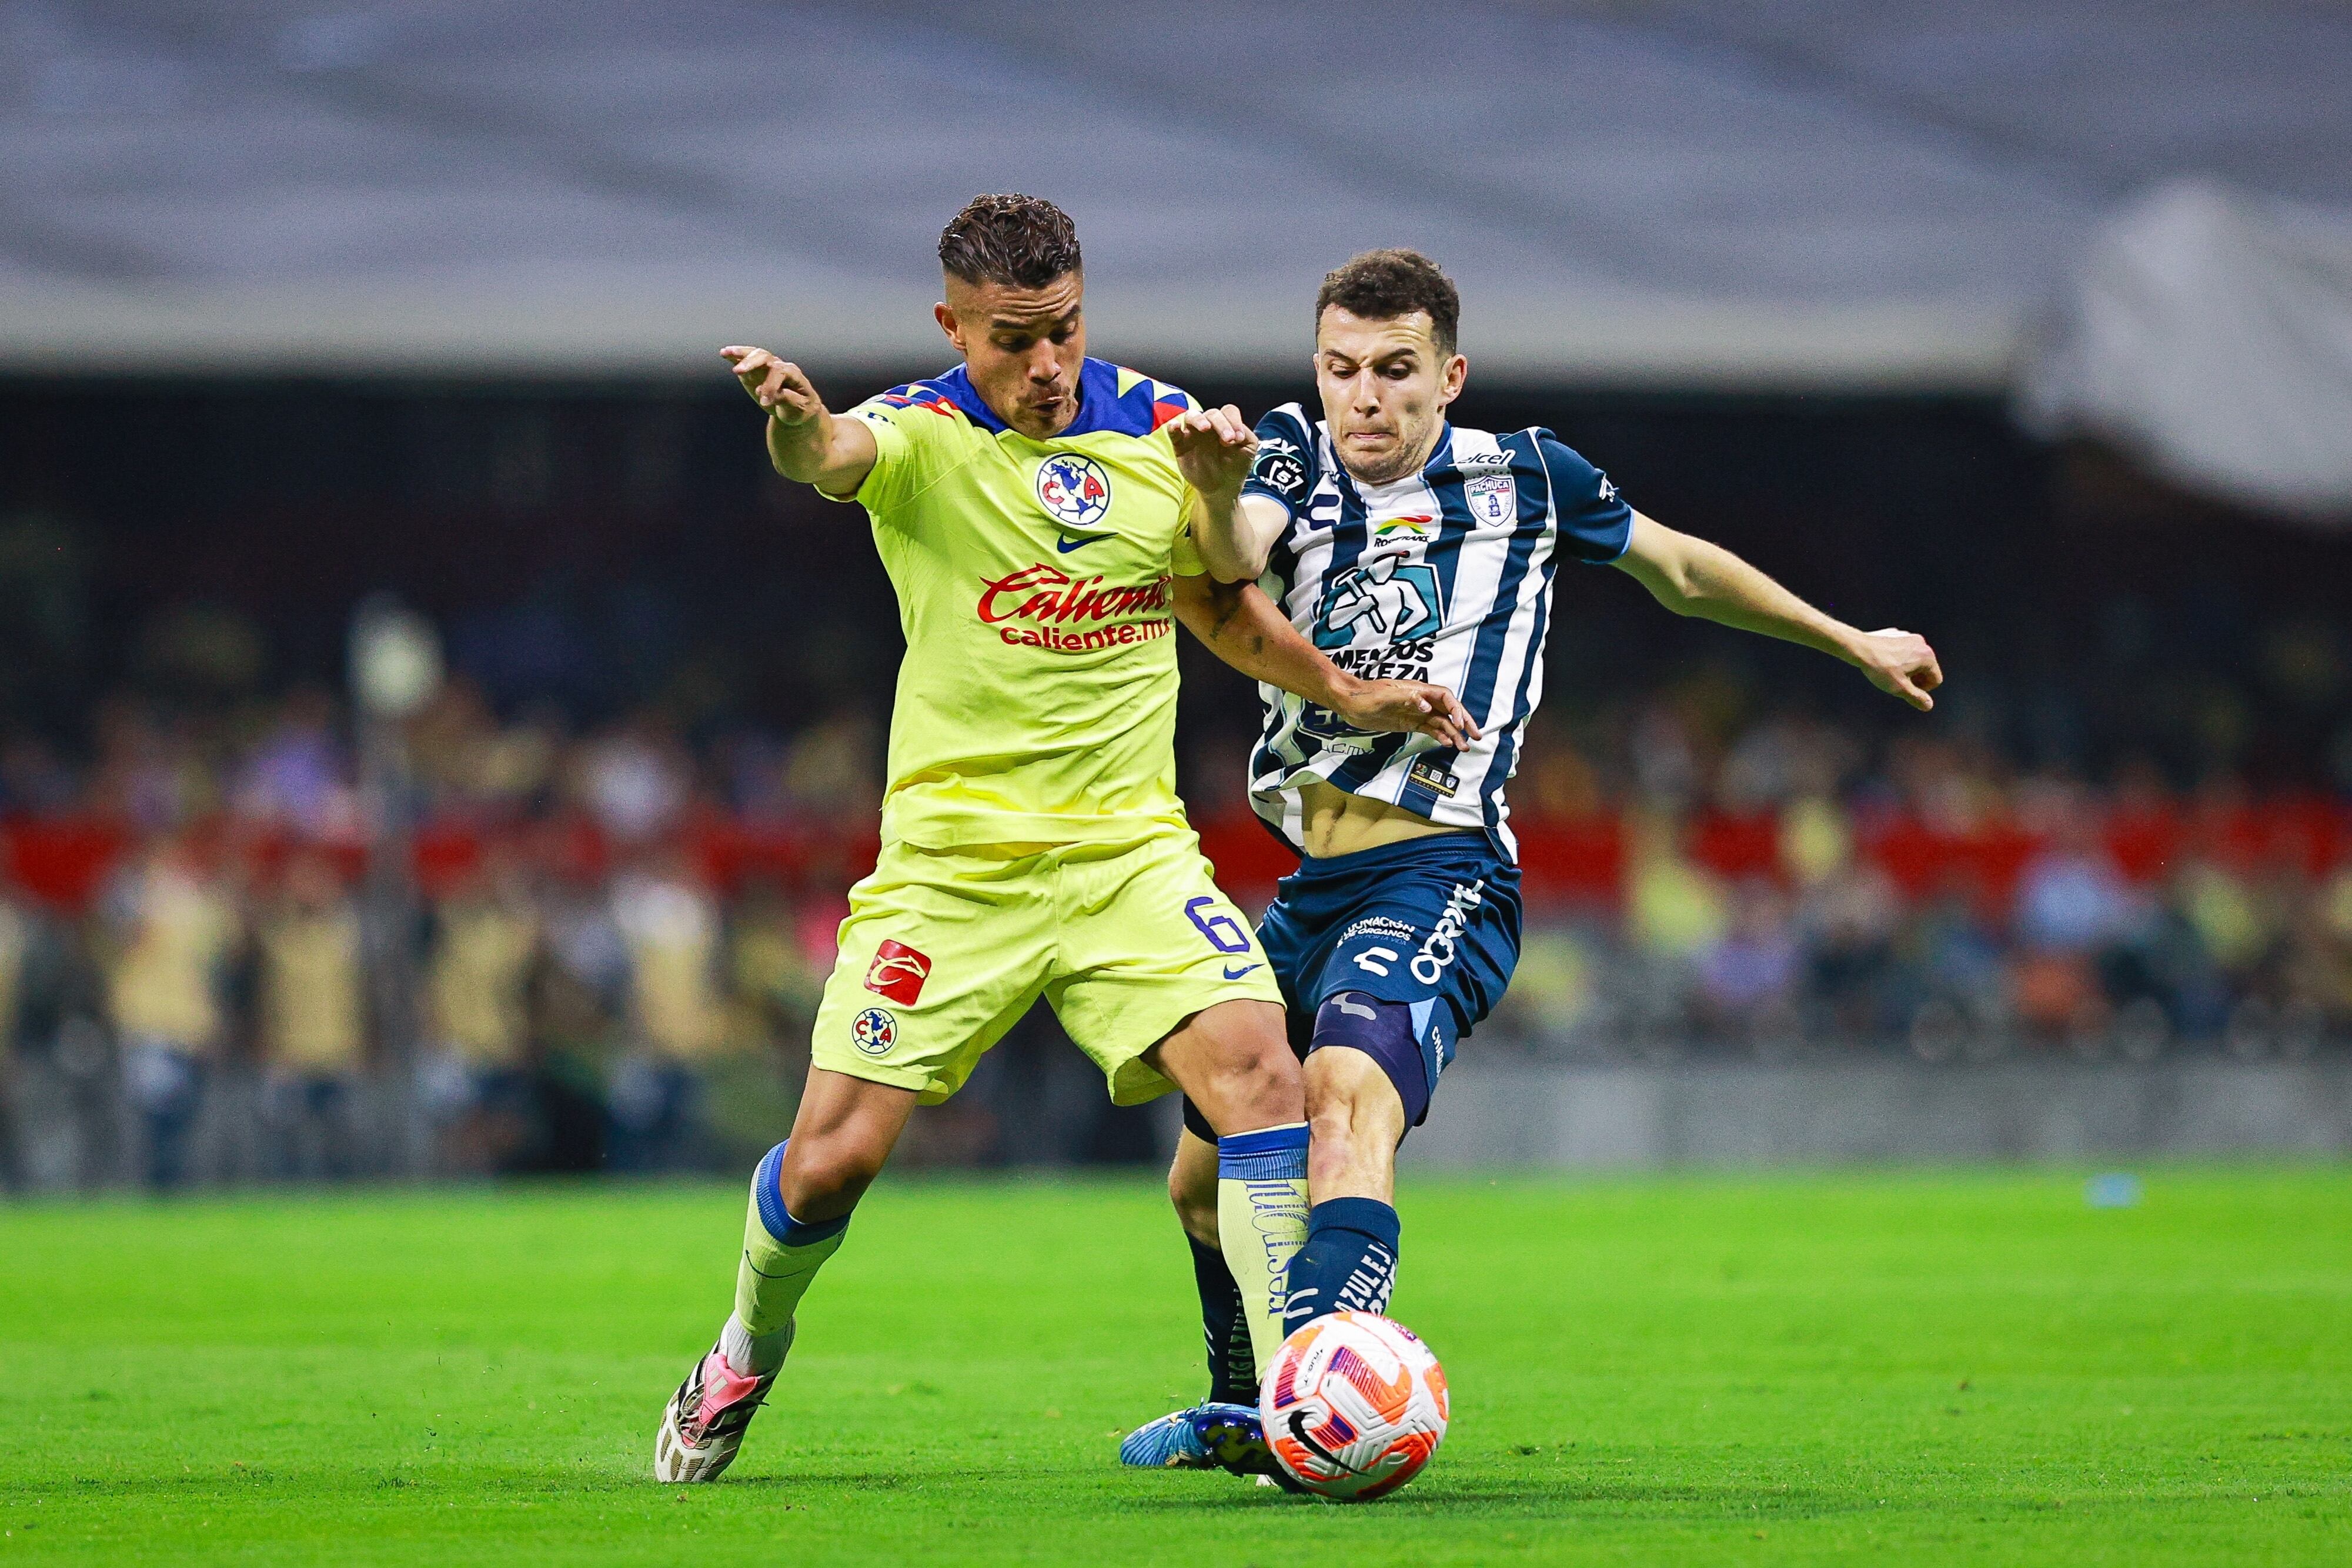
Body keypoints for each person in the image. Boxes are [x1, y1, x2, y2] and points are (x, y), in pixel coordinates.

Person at [654, 196, 1475, 1483]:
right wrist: (795, 423)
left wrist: (1342, 676)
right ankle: (741, 1350)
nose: (1045, 366)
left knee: (1264, 1075)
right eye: (1013, 339)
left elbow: (1221, 600)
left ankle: (1290, 1412)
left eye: (1065, 330)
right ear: (953, 327)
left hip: (1124, 860)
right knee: (828, 1166)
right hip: (953, 870)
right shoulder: (921, 435)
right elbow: (830, 457)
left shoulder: (1160, 425)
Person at [1125, 248, 1944, 1470]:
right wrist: (1209, 487)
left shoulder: (1527, 478)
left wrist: (1846, 638)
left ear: (1447, 376)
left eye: (1395, 371)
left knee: (1347, 1098)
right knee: (1202, 1183)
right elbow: (1231, 557)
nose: (1365, 397)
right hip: (1307, 883)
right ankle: (1246, 1409)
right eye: (1341, 368)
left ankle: (1317, 1405)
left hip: (1440, 867)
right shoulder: (1285, 454)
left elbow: (1676, 569)